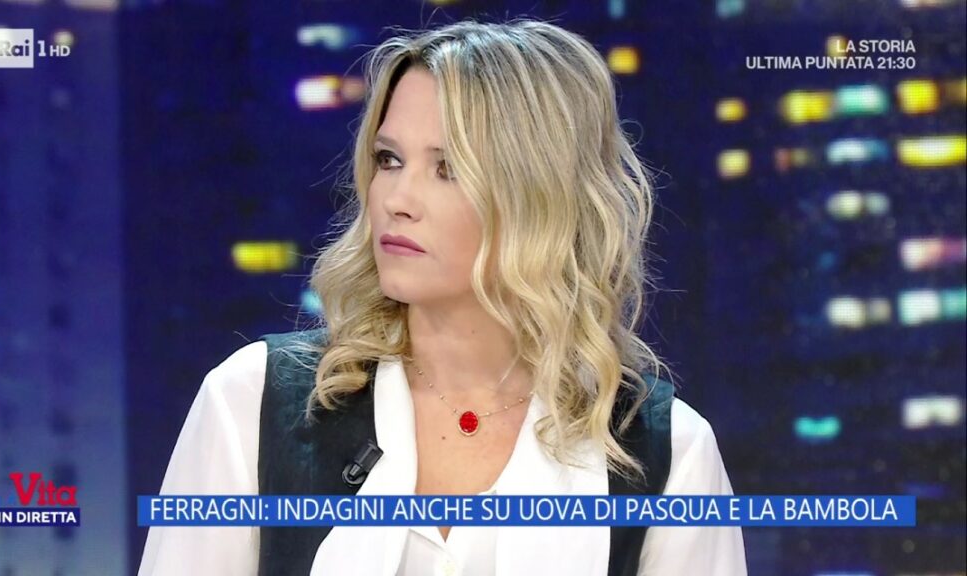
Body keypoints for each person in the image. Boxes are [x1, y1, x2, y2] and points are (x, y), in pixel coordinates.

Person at [139, 18, 747, 576]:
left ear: (540, 196)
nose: (396, 199)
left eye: (447, 168)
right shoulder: (252, 401)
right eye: (388, 159)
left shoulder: (668, 455)